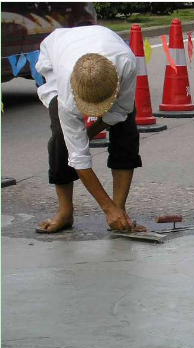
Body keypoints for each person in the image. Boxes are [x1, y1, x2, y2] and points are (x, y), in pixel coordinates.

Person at [36, 25, 145, 233]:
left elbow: (120, 110)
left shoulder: (126, 63)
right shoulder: (67, 94)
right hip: (56, 55)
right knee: (60, 138)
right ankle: (65, 212)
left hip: (104, 42)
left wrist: (86, 135)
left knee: (126, 130)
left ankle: (120, 212)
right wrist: (106, 207)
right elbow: (78, 157)